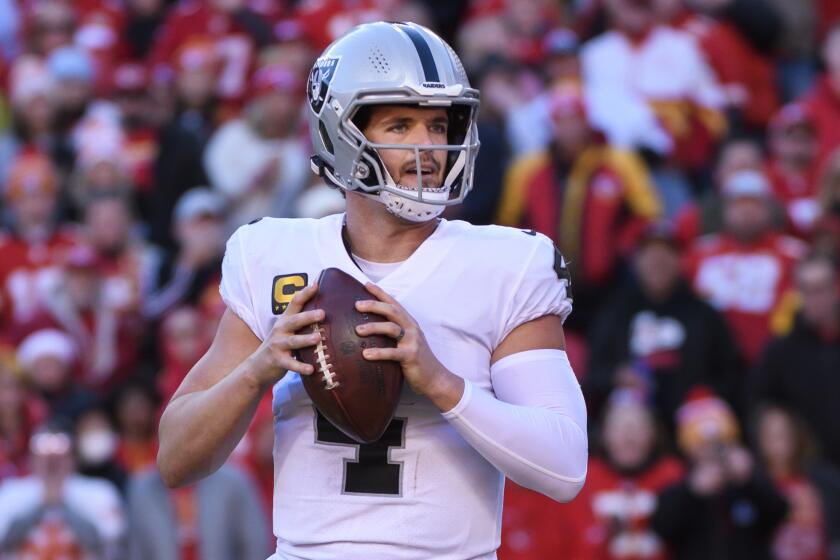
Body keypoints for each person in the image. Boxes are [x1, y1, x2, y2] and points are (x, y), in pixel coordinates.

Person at [158, 21, 587, 560]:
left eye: (440, 124)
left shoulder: (508, 263)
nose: (428, 146)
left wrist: (441, 384)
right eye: (402, 124)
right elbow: (176, 457)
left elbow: (564, 466)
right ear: (341, 131)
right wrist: (259, 369)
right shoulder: (272, 254)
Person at [753, 254, 840, 470]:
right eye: (807, 290)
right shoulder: (780, 352)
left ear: (835, 289)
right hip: (808, 470)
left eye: (821, 288)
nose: (815, 298)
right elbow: (761, 405)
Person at [0, 421, 125, 559]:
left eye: (59, 456)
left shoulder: (100, 491)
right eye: (44, 456)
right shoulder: (11, 491)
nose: (52, 463)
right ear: (31, 458)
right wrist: (40, 506)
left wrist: (64, 505)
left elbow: (105, 546)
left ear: (73, 458)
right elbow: (5, 543)